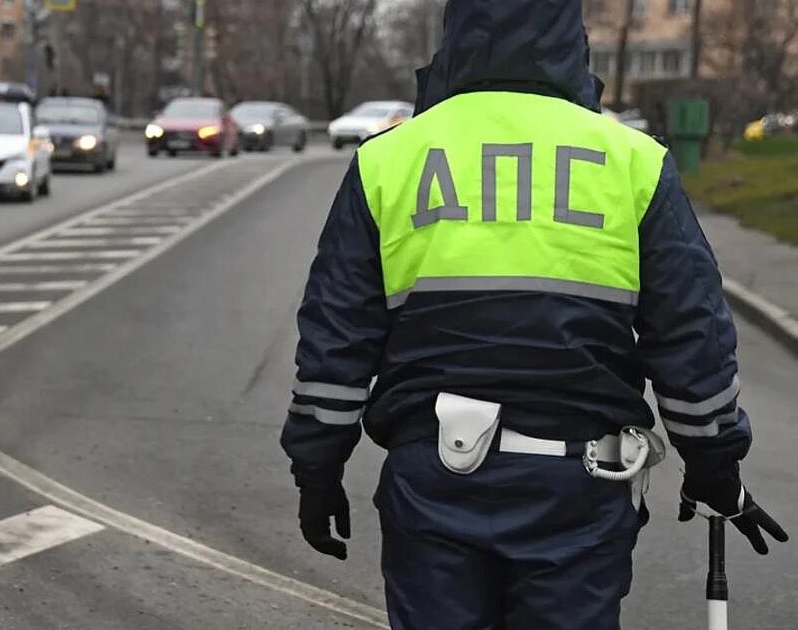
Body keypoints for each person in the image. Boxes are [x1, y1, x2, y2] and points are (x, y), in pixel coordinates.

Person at [279, 1, 787, 628]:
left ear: (454, 36)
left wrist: (317, 468)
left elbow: (336, 340)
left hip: (435, 484)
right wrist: (715, 467)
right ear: (571, 40)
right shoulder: (633, 163)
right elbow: (690, 338)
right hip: (580, 490)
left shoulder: (390, 160)